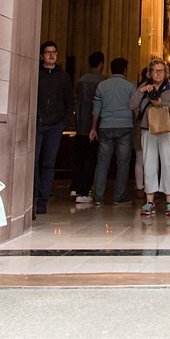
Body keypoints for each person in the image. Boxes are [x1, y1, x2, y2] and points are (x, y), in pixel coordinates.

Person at [132, 59, 170, 217]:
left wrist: (163, 103)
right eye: (155, 70)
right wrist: (141, 91)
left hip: (168, 130)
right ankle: (149, 201)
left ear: (166, 73)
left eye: (161, 71)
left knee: (168, 164)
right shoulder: (144, 87)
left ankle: (169, 202)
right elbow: (132, 105)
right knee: (149, 164)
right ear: (150, 73)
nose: (158, 73)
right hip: (148, 130)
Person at [90, 57, 136, 205]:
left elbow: (96, 109)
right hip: (124, 126)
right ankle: (119, 196)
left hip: (105, 126)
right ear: (125, 70)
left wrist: (93, 128)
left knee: (102, 162)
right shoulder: (130, 86)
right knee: (123, 163)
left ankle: (98, 197)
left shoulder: (102, 86)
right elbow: (135, 108)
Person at [35, 40, 73, 215]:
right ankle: (34, 195)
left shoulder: (63, 77)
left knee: (48, 163)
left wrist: (63, 122)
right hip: (37, 123)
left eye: (54, 52)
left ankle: (43, 199)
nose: (51, 55)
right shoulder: (37, 74)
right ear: (42, 55)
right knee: (34, 161)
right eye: (48, 52)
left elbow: (69, 101)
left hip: (54, 125)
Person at [71, 51, 106, 202]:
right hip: (94, 126)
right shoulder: (103, 81)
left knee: (79, 157)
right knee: (91, 159)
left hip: (81, 124)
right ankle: (84, 190)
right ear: (101, 64)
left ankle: (74, 187)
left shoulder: (81, 80)